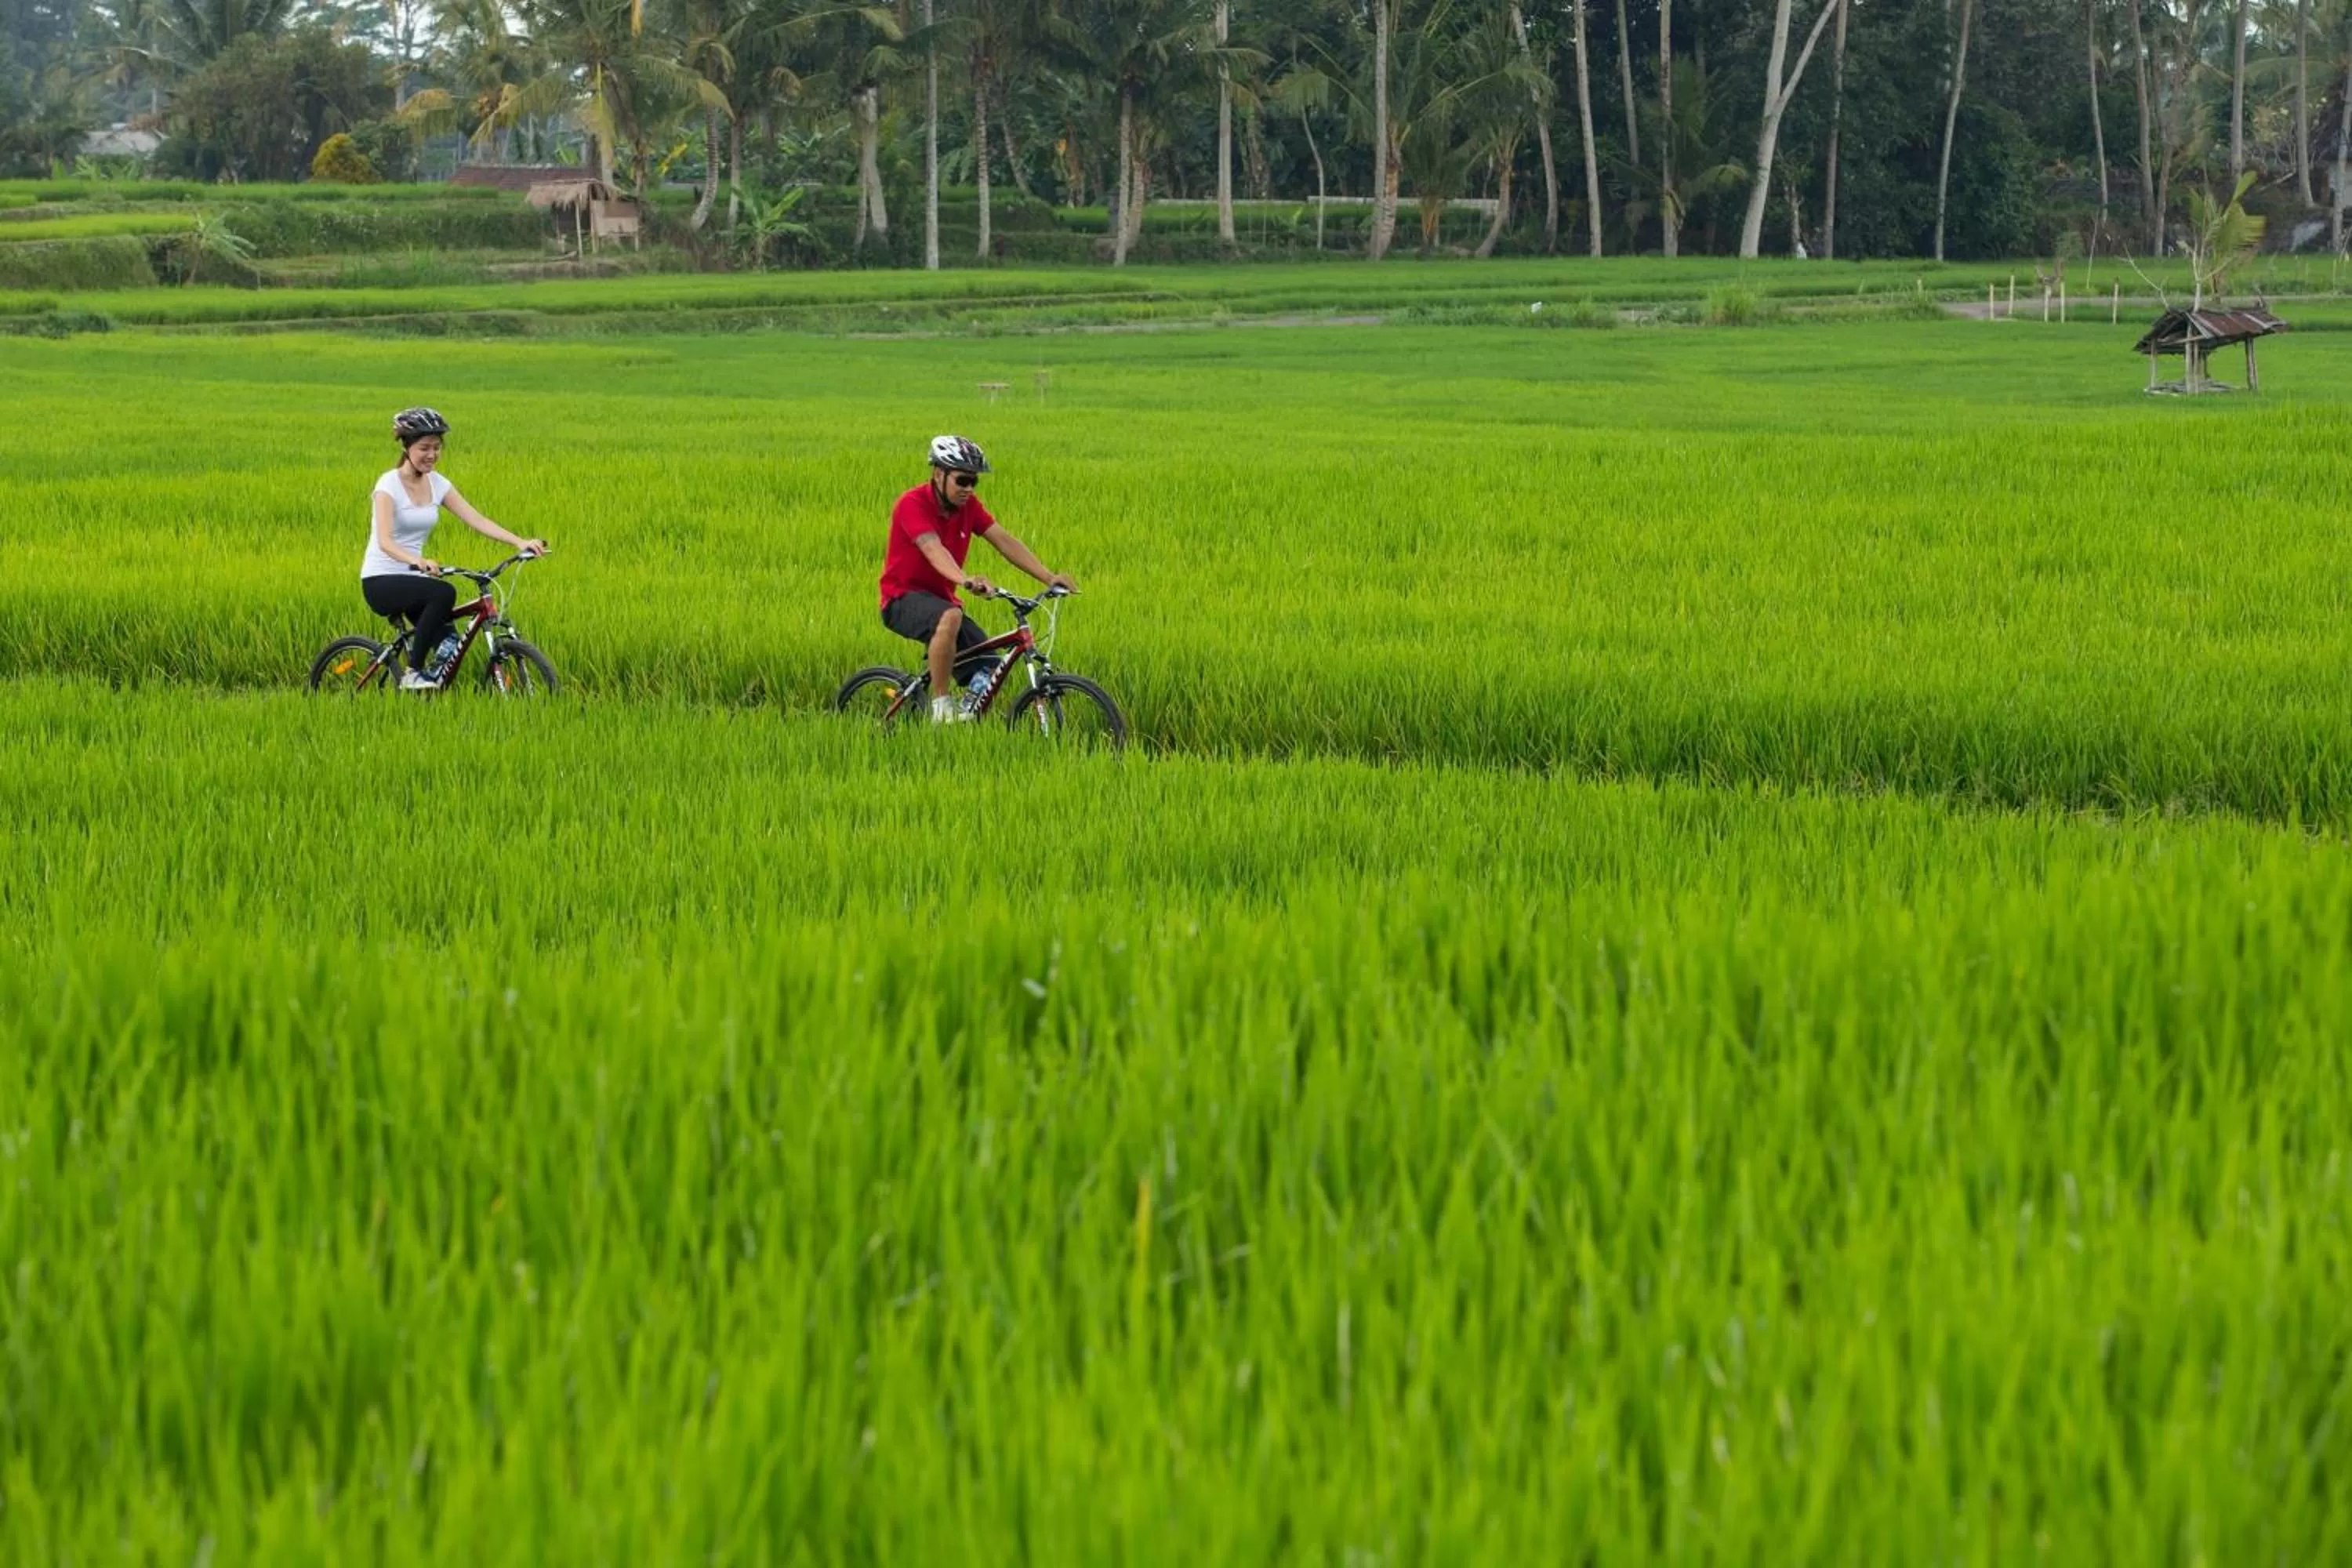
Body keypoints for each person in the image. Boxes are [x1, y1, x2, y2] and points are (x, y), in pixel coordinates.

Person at [878, 435, 1075, 723]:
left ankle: (963, 721)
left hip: (942, 601)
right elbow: (934, 550)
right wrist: (965, 579)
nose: (969, 488)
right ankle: (941, 708)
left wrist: (1049, 577)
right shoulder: (912, 504)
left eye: (974, 482)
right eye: (962, 480)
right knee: (950, 615)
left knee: (989, 668)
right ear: (938, 474)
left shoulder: (969, 507)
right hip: (901, 598)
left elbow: (1005, 542)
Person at [361, 407, 548, 691]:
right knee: (444, 592)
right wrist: (418, 561)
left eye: (437, 448)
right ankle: (412, 672)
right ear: (406, 447)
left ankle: (428, 690)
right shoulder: (389, 484)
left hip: (414, 581)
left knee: (448, 644)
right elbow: (385, 542)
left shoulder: (438, 484)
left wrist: (519, 541)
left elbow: (477, 519)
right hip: (381, 579)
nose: (432, 455)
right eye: (424, 448)